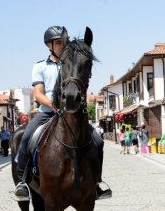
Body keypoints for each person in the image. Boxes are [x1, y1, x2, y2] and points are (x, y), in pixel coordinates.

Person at [13, 26, 112, 201]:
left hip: (71, 114)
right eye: (58, 43)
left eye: (63, 42)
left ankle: (97, 182)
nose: (62, 46)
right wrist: (54, 105)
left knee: (97, 140)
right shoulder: (40, 66)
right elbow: (38, 93)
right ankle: (22, 182)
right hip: (47, 113)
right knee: (26, 137)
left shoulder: (71, 62)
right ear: (49, 45)